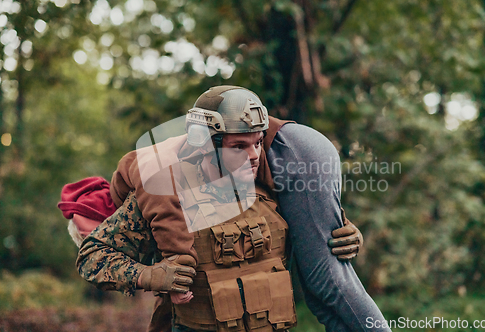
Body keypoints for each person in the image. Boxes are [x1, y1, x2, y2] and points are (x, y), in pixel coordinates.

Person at [77, 86, 390, 331]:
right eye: (238, 146)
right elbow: (92, 257)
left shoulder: (274, 188)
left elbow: (313, 234)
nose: (254, 155)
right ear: (206, 144)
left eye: (256, 143)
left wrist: (343, 231)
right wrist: (149, 275)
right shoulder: (166, 193)